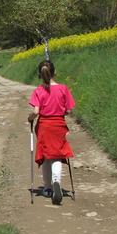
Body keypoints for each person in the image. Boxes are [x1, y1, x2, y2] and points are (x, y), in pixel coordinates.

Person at [28, 59, 76, 205]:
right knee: (57, 154)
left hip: (44, 126)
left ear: (40, 74)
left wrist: (30, 118)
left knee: (46, 156)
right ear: (55, 72)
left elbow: (35, 112)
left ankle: (48, 188)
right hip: (58, 125)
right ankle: (57, 181)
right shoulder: (63, 88)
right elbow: (68, 110)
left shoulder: (38, 91)